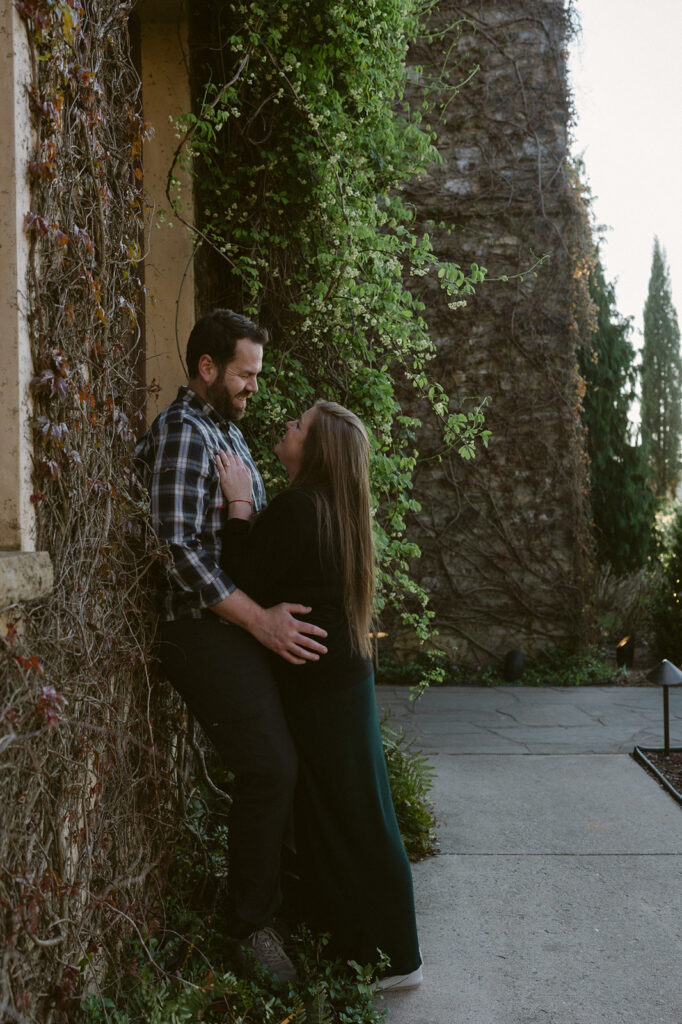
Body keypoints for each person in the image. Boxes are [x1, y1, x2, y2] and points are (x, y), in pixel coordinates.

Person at [135, 309, 328, 984]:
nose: (254, 388)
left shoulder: (232, 437)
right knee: (269, 767)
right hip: (197, 630)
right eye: (245, 374)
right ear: (208, 369)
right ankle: (249, 928)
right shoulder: (186, 433)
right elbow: (176, 551)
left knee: (292, 756)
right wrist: (262, 623)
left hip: (235, 627)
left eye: (257, 375)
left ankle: (282, 898)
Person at [216, 400, 423, 991]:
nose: (287, 425)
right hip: (343, 683)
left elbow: (240, 578)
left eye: (298, 426)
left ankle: (390, 958)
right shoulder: (334, 512)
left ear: (316, 451)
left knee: (344, 816)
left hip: (320, 690)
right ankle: (376, 950)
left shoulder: (299, 508)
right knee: (355, 810)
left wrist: (237, 502)